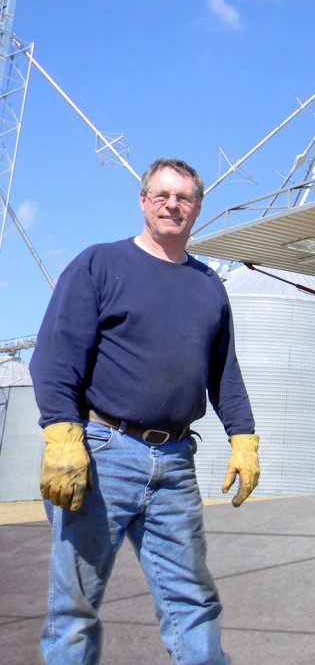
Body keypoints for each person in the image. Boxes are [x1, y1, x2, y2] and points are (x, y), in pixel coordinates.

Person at [31, 157, 260, 664]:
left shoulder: (208, 286)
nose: (171, 206)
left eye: (183, 198)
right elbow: (55, 353)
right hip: (100, 456)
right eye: (161, 196)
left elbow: (224, 372)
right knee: (74, 606)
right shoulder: (101, 264)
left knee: (193, 601)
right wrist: (63, 435)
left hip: (175, 461)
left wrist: (243, 437)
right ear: (142, 201)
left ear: (198, 208)